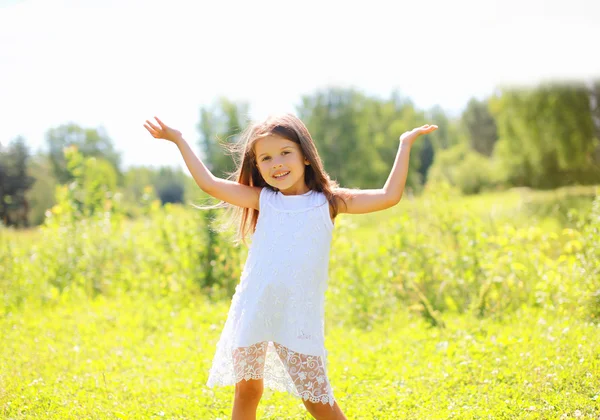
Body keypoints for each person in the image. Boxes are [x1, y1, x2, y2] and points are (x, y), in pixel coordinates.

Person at [143, 113, 437, 420]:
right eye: (266, 158)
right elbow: (210, 184)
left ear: (305, 157)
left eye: (285, 153)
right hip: (255, 306)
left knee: (317, 399)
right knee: (247, 391)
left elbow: (389, 196)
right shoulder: (265, 200)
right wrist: (179, 139)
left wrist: (405, 144)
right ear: (257, 166)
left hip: (297, 314)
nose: (277, 164)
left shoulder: (329, 201)